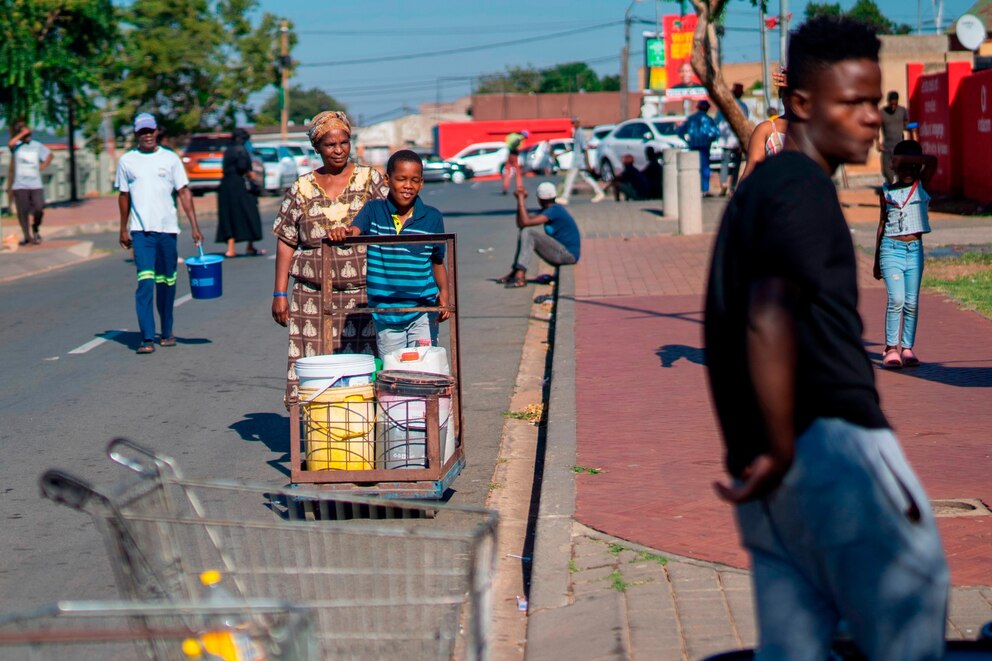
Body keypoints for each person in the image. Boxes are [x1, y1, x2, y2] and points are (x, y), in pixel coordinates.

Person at [704, 16, 947, 660]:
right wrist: (784, 449)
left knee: (797, 645)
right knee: (914, 599)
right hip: (829, 446)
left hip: (764, 463)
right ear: (803, 104)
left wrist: (765, 450)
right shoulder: (800, 188)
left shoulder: (761, 193)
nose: (870, 118)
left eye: (874, 100)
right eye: (852, 102)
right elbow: (769, 312)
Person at [271, 110, 388, 405]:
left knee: (362, 371)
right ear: (317, 149)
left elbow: (392, 224)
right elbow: (286, 241)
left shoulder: (370, 180)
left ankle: (362, 436)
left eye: (344, 143)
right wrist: (279, 293)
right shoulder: (301, 188)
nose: (338, 150)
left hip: (362, 296)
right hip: (311, 297)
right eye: (330, 145)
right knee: (314, 373)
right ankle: (317, 438)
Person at [328, 150, 449, 355]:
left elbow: (437, 261)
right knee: (394, 372)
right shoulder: (373, 211)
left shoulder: (432, 217)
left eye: (414, 180)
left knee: (423, 370)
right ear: (387, 179)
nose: (408, 186)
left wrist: (445, 294)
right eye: (401, 179)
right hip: (385, 313)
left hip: (422, 310)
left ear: (421, 183)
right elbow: (354, 232)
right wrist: (344, 233)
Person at [116, 113, 204, 355]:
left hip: (167, 231)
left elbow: (184, 192)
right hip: (141, 232)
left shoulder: (170, 159)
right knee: (145, 282)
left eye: (150, 131)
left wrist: (194, 226)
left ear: (156, 132)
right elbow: (123, 196)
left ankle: (167, 331)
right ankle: (146, 337)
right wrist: (123, 229)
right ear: (136, 135)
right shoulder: (127, 161)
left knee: (166, 283)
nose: (147, 135)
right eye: (142, 132)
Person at [873, 139, 937, 369]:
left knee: (911, 302)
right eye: (902, 167)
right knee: (897, 299)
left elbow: (932, 161)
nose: (908, 171)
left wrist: (907, 159)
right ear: (895, 167)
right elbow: (882, 224)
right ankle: (891, 348)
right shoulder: (886, 191)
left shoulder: (922, 184)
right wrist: (876, 262)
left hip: (914, 252)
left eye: (912, 166)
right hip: (891, 249)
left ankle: (907, 347)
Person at [497, 182, 580, 289]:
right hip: (562, 253)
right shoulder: (548, 210)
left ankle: (520, 274)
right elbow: (521, 223)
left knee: (529, 232)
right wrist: (520, 200)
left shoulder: (555, 210)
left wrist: (521, 198)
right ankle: (516, 271)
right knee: (525, 231)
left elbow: (525, 222)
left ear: (539, 199)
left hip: (568, 256)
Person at [216, 128, 264, 257]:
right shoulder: (241, 150)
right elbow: (242, 167)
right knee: (249, 213)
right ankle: (250, 246)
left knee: (229, 215)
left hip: (226, 186)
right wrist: (252, 175)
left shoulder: (228, 150)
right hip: (240, 187)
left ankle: (231, 248)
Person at [739, 69, 789, 182]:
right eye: (787, 91)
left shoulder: (816, 129)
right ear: (781, 95)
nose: (791, 97)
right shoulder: (766, 130)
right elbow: (750, 174)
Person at [7, 121, 53, 245]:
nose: (27, 135)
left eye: (28, 133)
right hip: (20, 185)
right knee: (23, 212)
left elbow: (49, 154)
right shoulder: (16, 146)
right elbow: (10, 144)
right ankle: (28, 236)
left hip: (35, 185)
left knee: (39, 208)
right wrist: (21, 135)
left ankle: (35, 227)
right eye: (24, 133)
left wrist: (43, 165)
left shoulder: (37, 145)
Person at [677, 100, 720, 195]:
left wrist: (687, 141)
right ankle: (704, 189)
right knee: (705, 168)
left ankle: (694, 188)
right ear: (707, 108)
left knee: (693, 168)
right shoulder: (708, 119)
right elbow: (716, 133)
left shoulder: (691, 118)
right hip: (704, 146)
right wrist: (710, 140)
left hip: (693, 146)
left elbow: (680, 132)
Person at [559, 117, 605, 205]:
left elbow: (584, 149)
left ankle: (565, 197)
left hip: (578, 160)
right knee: (585, 177)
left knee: (570, 178)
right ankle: (599, 192)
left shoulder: (580, 133)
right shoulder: (576, 133)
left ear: (578, 122)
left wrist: (587, 163)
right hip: (577, 160)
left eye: (574, 123)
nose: (573, 125)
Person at [715, 83, 750, 196]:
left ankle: (724, 183)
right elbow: (745, 122)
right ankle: (732, 187)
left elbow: (717, 122)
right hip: (737, 140)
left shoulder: (724, 106)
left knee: (724, 162)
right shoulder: (743, 106)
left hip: (725, 140)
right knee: (736, 164)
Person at [877, 90, 909, 184]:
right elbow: (876, 128)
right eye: (891, 104)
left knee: (901, 172)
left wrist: (910, 128)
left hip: (899, 147)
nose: (893, 106)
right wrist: (878, 143)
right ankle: (890, 184)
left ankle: (899, 193)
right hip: (887, 147)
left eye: (895, 104)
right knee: (887, 172)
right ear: (888, 102)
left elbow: (906, 124)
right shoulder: (882, 113)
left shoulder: (902, 111)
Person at [501, 129, 528, 194]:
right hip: (514, 156)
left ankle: (505, 187)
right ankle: (519, 187)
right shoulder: (519, 138)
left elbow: (508, 144)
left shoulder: (511, 135)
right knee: (518, 173)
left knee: (508, 172)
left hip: (509, 155)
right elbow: (515, 145)